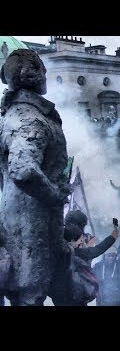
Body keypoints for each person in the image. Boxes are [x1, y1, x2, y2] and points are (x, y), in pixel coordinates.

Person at [0, 50, 70, 306]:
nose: (46, 73)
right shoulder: (30, 118)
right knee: (32, 294)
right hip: (33, 224)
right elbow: (23, 170)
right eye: (42, 67)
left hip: (16, 217)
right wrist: (56, 195)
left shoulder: (11, 115)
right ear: (32, 74)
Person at [50, 210, 118, 306]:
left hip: (59, 296)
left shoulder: (56, 244)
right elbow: (96, 250)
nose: (81, 240)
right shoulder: (72, 252)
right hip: (73, 295)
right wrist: (112, 237)